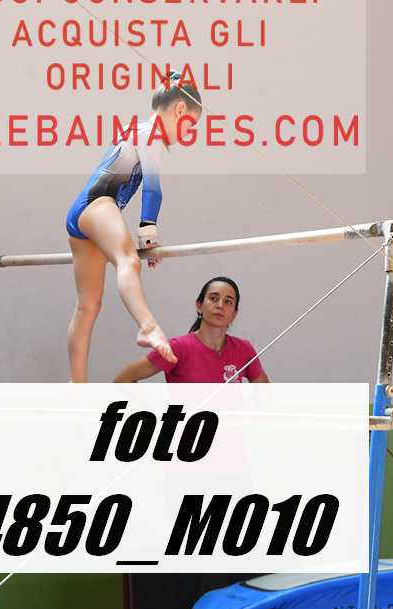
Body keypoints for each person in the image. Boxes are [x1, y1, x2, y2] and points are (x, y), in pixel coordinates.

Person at [66, 71, 202, 382]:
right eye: (190, 125)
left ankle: (77, 385)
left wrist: (146, 239)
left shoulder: (137, 132)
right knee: (127, 260)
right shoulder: (149, 133)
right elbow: (153, 189)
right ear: (180, 109)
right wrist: (147, 232)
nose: (186, 134)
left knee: (88, 306)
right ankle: (147, 326)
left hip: (85, 213)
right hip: (97, 203)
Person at [114, 276, 269, 383]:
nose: (220, 305)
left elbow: (266, 397)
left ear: (234, 314)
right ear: (199, 305)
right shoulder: (176, 348)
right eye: (213, 298)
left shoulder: (244, 349)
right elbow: (123, 379)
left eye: (228, 302)